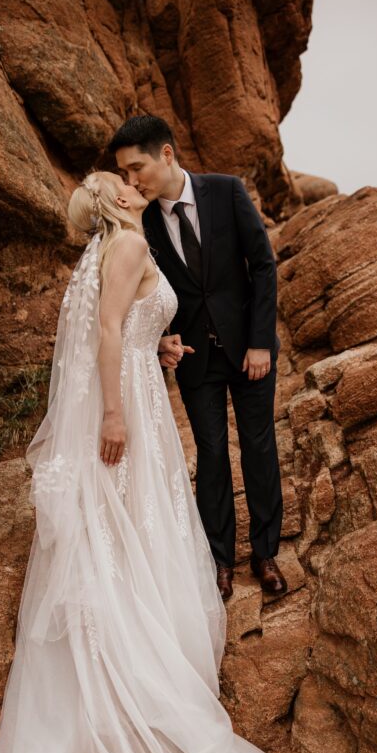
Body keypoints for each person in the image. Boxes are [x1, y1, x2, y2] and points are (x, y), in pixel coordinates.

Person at [0, 170, 316, 753]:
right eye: (114, 180)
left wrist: (162, 352)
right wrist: (114, 416)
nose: (126, 181)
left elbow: (128, 332)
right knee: (135, 529)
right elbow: (108, 332)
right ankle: (148, 669)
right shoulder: (123, 245)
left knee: (137, 527)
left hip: (143, 395)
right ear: (112, 203)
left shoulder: (120, 244)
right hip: (131, 417)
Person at [109, 115, 287, 602]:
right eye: (124, 173)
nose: (132, 180)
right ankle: (220, 560)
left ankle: (266, 553)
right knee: (210, 455)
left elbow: (264, 265)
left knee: (258, 446)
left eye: (136, 167)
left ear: (166, 154)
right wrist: (159, 339)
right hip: (192, 359)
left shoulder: (226, 192)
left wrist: (258, 341)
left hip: (248, 349)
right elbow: (144, 295)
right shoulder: (140, 223)